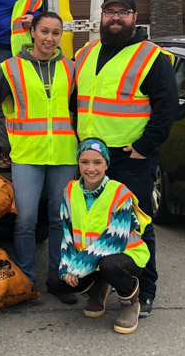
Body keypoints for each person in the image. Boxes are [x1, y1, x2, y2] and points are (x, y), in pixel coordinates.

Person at [73, 0, 176, 318]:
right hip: (93, 162)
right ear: (101, 16)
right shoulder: (87, 51)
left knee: (136, 226)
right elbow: (75, 100)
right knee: (96, 225)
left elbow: (167, 109)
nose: (115, 18)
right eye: (109, 12)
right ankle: (103, 284)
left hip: (130, 160)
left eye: (123, 12)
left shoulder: (152, 57)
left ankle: (144, 291)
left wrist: (145, 147)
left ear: (135, 17)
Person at [0, 11, 78, 300]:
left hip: (64, 154)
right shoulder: (12, 68)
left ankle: (58, 277)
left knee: (59, 218)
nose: (50, 38)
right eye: (44, 31)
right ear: (33, 33)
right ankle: (26, 279)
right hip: (26, 154)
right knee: (25, 219)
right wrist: (7, 144)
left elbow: (78, 109)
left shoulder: (72, 68)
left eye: (55, 33)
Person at [48, 138, 151, 335]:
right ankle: (98, 287)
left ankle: (130, 301)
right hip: (90, 258)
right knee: (55, 281)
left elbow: (115, 240)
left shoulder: (120, 192)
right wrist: (66, 268)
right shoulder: (70, 190)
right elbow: (67, 233)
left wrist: (77, 268)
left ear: (106, 165)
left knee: (110, 266)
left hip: (126, 255)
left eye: (97, 162)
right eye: (84, 162)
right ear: (78, 163)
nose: (91, 169)